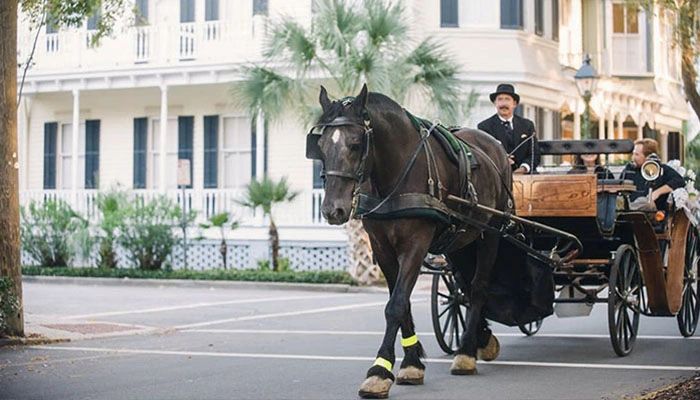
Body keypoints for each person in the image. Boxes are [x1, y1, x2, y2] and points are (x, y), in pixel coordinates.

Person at [478, 83, 540, 174]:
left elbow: (534, 154)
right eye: (500, 99)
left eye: (507, 99)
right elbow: (482, 155)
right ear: (495, 103)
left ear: (514, 103)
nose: (503, 104)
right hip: (497, 177)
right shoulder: (484, 127)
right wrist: (501, 160)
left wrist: (523, 168)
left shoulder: (527, 125)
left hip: (524, 177)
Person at [620, 138, 685, 210]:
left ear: (648, 157)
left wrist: (657, 193)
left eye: (637, 154)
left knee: (645, 202)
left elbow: (679, 181)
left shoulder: (661, 169)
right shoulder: (629, 168)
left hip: (652, 213)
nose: (633, 157)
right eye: (633, 154)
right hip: (627, 207)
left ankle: (631, 208)